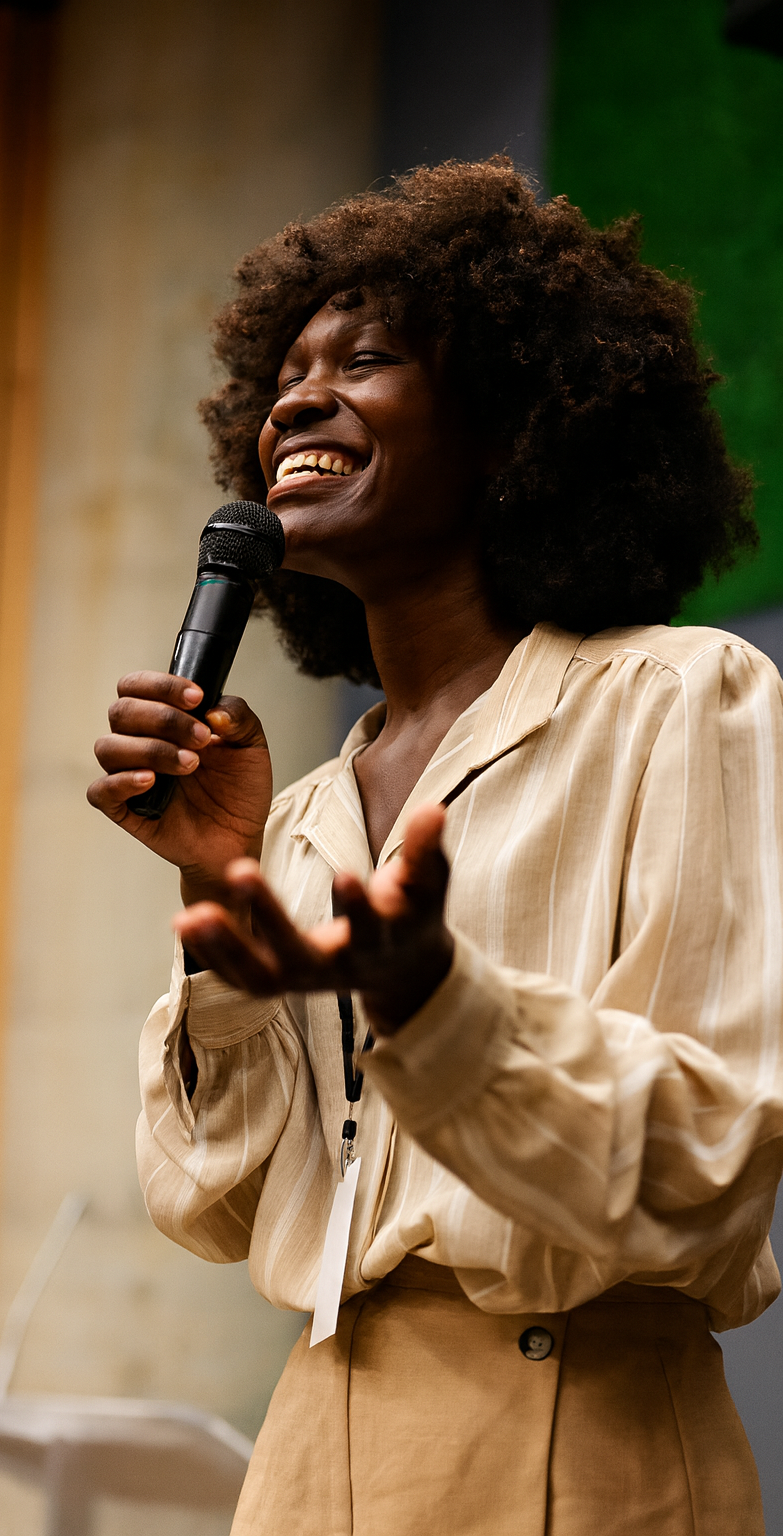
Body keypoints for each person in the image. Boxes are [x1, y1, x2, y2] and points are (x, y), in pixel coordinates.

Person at [89, 159, 783, 1535]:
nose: (298, 396)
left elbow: (712, 1164)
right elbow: (213, 1206)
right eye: (285, 372)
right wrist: (220, 883)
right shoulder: (299, 815)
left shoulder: (678, 700)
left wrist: (440, 1010)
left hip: (570, 1442)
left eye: (371, 357)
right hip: (305, 1448)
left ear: (517, 424)